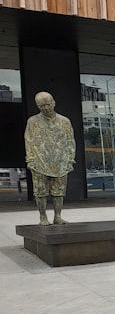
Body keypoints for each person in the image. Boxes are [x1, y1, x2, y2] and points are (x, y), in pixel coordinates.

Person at [24, 91, 75, 226]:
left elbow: (70, 141)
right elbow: (28, 141)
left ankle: (58, 216)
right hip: (39, 162)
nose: (45, 108)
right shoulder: (32, 122)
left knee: (59, 192)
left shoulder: (64, 121)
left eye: (47, 104)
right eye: (41, 106)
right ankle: (43, 217)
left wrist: (70, 159)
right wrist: (30, 159)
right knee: (40, 192)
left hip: (60, 162)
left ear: (53, 103)